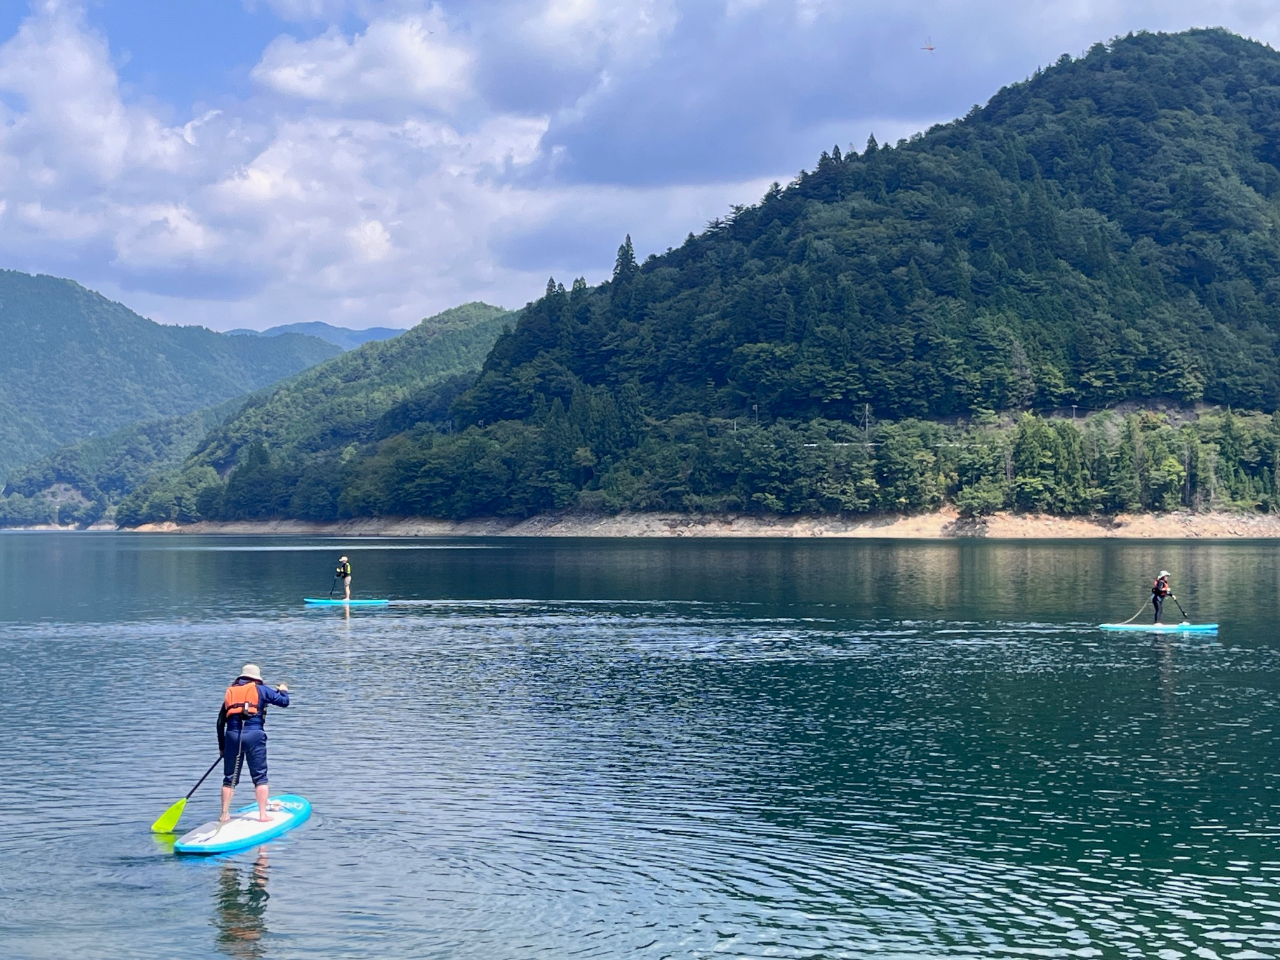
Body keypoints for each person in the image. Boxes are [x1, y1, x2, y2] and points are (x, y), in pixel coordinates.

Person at [218, 664, 290, 823]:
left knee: (229, 778)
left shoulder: (231, 691)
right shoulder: (261, 689)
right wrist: (283, 690)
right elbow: (284, 702)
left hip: (232, 737)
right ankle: (263, 815)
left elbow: (220, 722)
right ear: (257, 678)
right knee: (260, 777)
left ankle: (224, 814)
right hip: (254, 736)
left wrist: (222, 747)